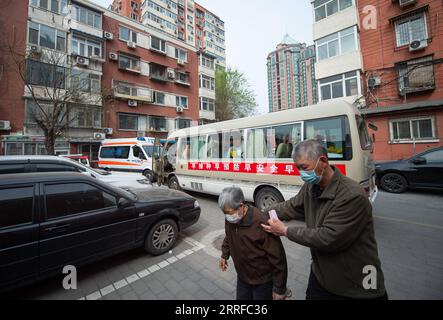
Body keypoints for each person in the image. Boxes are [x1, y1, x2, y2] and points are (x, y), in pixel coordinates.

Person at [261, 139, 387, 300]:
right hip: (322, 275)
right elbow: (292, 206)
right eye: (298, 168)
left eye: (304, 168)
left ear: (323, 161)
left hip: (356, 283)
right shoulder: (312, 186)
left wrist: (285, 230)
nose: (301, 174)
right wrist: (261, 213)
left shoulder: (351, 195)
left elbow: (328, 237)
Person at [218, 187, 288, 300]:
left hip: (262, 281)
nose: (228, 217)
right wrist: (224, 254)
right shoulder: (231, 218)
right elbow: (229, 235)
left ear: (241, 206)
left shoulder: (261, 222)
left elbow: (278, 257)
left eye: (229, 213)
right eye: (225, 213)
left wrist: (279, 288)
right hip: (243, 277)